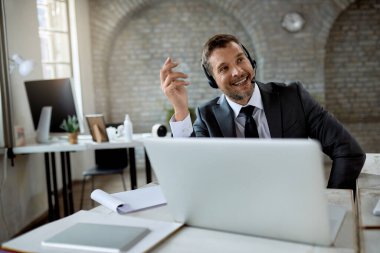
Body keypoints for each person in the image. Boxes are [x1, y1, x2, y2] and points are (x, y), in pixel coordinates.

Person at [160, 34, 365, 191]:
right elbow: (191, 171)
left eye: (240, 60)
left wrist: (333, 202)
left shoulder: (293, 97)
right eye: (224, 68)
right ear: (213, 81)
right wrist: (180, 109)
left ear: (251, 62)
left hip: (295, 209)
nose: (238, 71)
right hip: (239, 216)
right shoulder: (207, 117)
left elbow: (348, 151)